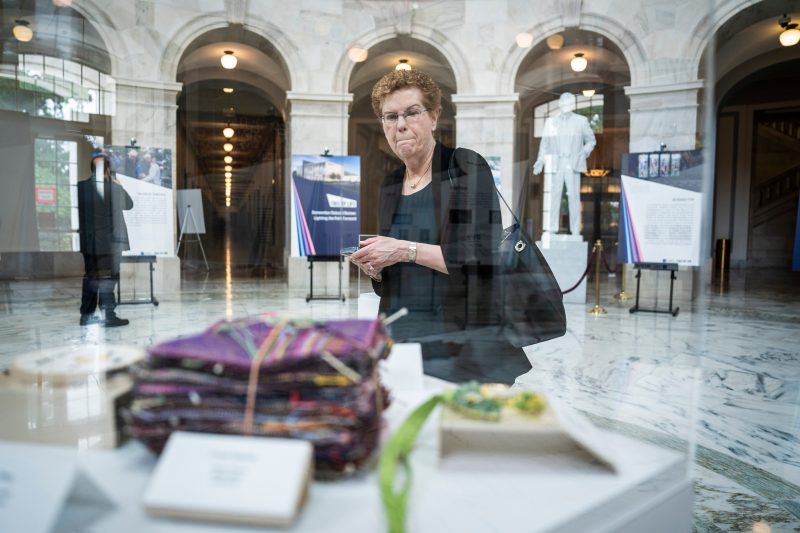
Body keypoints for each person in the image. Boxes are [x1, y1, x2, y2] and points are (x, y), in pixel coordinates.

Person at [350, 69, 531, 384]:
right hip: (403, 339)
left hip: (463, 342)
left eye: (411, 112)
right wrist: (377, 267)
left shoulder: (463, 167)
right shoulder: (390, 184)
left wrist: (403, 249)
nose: (400, 124)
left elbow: (481, 259)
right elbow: (398, 268)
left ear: (434, 117)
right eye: (390, 116)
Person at [77, 149, 133, 327]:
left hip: (89, 243)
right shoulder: (114, 188)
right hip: (110, 243)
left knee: (91, 278)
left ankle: (86, 316)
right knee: (108, 279)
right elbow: (129, 204)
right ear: (107, 170)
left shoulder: (81, 187)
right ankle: (108, 315)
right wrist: (116, 183)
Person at [533, 92, 596, 237]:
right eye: (564, 102)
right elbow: (545, 144)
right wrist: (541, 160)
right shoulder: (550, 122)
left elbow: (591, 141)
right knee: (554, 196)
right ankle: (552, 227)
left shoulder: (581, 121)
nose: (567, 105)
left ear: (573, 105)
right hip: (557, 163)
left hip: (573, 163)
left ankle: (575, 229)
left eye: (570, 103)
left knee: (574, 197)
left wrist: (583, 152)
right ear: (560, 104)